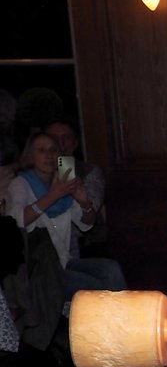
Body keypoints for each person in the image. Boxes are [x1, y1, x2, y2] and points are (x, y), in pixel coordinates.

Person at [3, 132, 125, 299]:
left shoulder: (62, 181)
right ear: (31, 155)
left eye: (53, 150)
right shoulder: (21, 183)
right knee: (93, 288)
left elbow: (85, 224)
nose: (49, 156)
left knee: (111, 270)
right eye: (41, 150)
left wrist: (84, 203)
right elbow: (18, 220)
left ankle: (123, 315)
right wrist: (53, 195)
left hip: (64, 261)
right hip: (38, 269)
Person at [46, 118, 108, 254]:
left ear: (75, 143)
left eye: (66, 138)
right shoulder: (33, 174)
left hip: (83, 244)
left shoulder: (88, 171)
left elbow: (87, 213)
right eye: (54, 138)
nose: (60, 143)